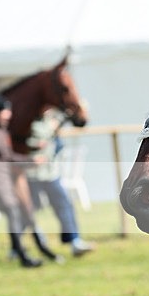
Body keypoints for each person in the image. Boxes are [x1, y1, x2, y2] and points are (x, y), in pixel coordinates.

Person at [0, 92, 42, 268]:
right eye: (5, 111)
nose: (9, 114)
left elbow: (7, 156)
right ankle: (22, 255)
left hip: (1, 180)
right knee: (12, 211)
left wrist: (31, 161)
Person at [25, 108, 94, 257]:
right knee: (29, 210)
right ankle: (17, 246)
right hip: (32, 174)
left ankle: (75, 241)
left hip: (51, 174)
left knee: (65, 205)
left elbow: (67, 118)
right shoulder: (28, 120)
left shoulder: (52, 118)